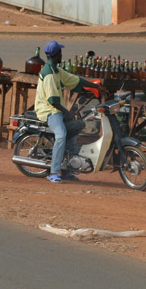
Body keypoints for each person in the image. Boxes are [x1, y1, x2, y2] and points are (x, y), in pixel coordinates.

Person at [34, 40, 100, 184]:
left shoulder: (57, 71)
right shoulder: (49, 74)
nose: (62, 55)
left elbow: (76, 81)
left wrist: (95, 86)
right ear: (56, 55)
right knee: (62, 135)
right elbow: (53, 101)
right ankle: (54, 172)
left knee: (74, 130)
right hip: (49, 110)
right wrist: (67, 112)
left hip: (57, 109)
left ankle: (66, 169)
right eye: (60, 53)